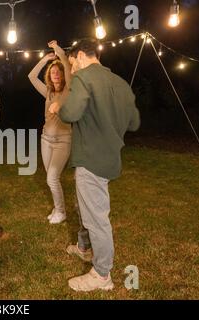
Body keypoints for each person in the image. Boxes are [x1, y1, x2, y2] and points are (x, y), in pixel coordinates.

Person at [58, 38, 140, 291]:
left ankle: (102, 274)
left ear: (82, 56)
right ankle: (84, 248)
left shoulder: (84, 78)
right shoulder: (121, 83)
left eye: (72, 64)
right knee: (85, 206)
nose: (71, 71)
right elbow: (134, 122)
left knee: (96, 218)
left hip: (91, 159)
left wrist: (59, 105)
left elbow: (69, 114)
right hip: (109, 159)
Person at [28, 40, 72, 224]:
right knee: (50, 179)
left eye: (58, 72)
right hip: (45, 139)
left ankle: (61, 212)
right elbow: (31, 76)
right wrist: (45, 59)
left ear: (62, 75)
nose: (55, 74)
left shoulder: (68, 90)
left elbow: (68, 68)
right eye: (52, 72)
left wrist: (57, 50)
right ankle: (57, 207)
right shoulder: (47, 91)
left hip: (63, 140)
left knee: (52, 177)